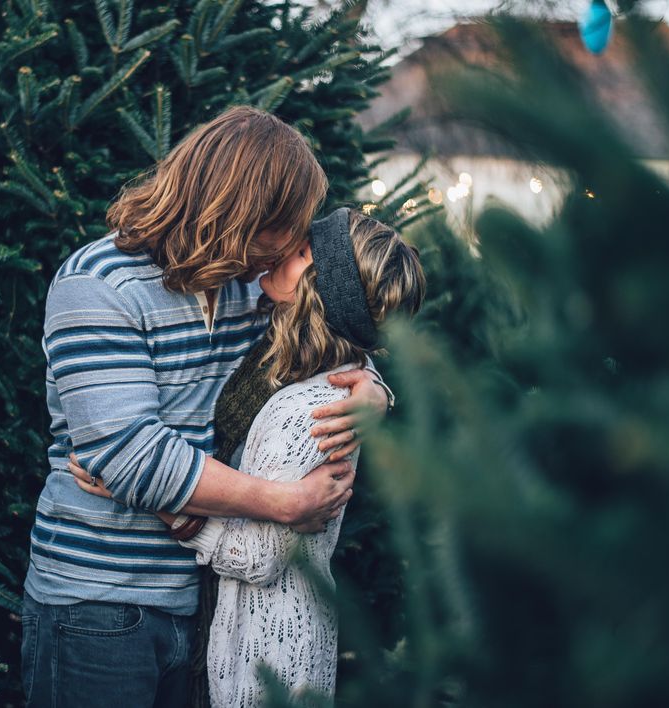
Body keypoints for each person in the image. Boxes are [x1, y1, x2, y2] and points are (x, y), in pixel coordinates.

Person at [20, 107, 393, 708]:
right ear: (240, 213)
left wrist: (374, 390)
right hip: (99, 604)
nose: (294, 245)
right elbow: (133, 458)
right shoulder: (97, 285)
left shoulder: (247, 285)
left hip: (202, 599)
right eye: (285, 228)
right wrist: (282, 502)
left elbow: (330, 331)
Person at [77, 207, 426, 707]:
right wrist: (376, 387)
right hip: (235, 627)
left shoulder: (313, 408)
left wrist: (146, 493)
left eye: (303, 253)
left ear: (323, 294)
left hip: (270, 649)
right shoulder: (284, 350)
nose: (285, 251)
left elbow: (259, 557)